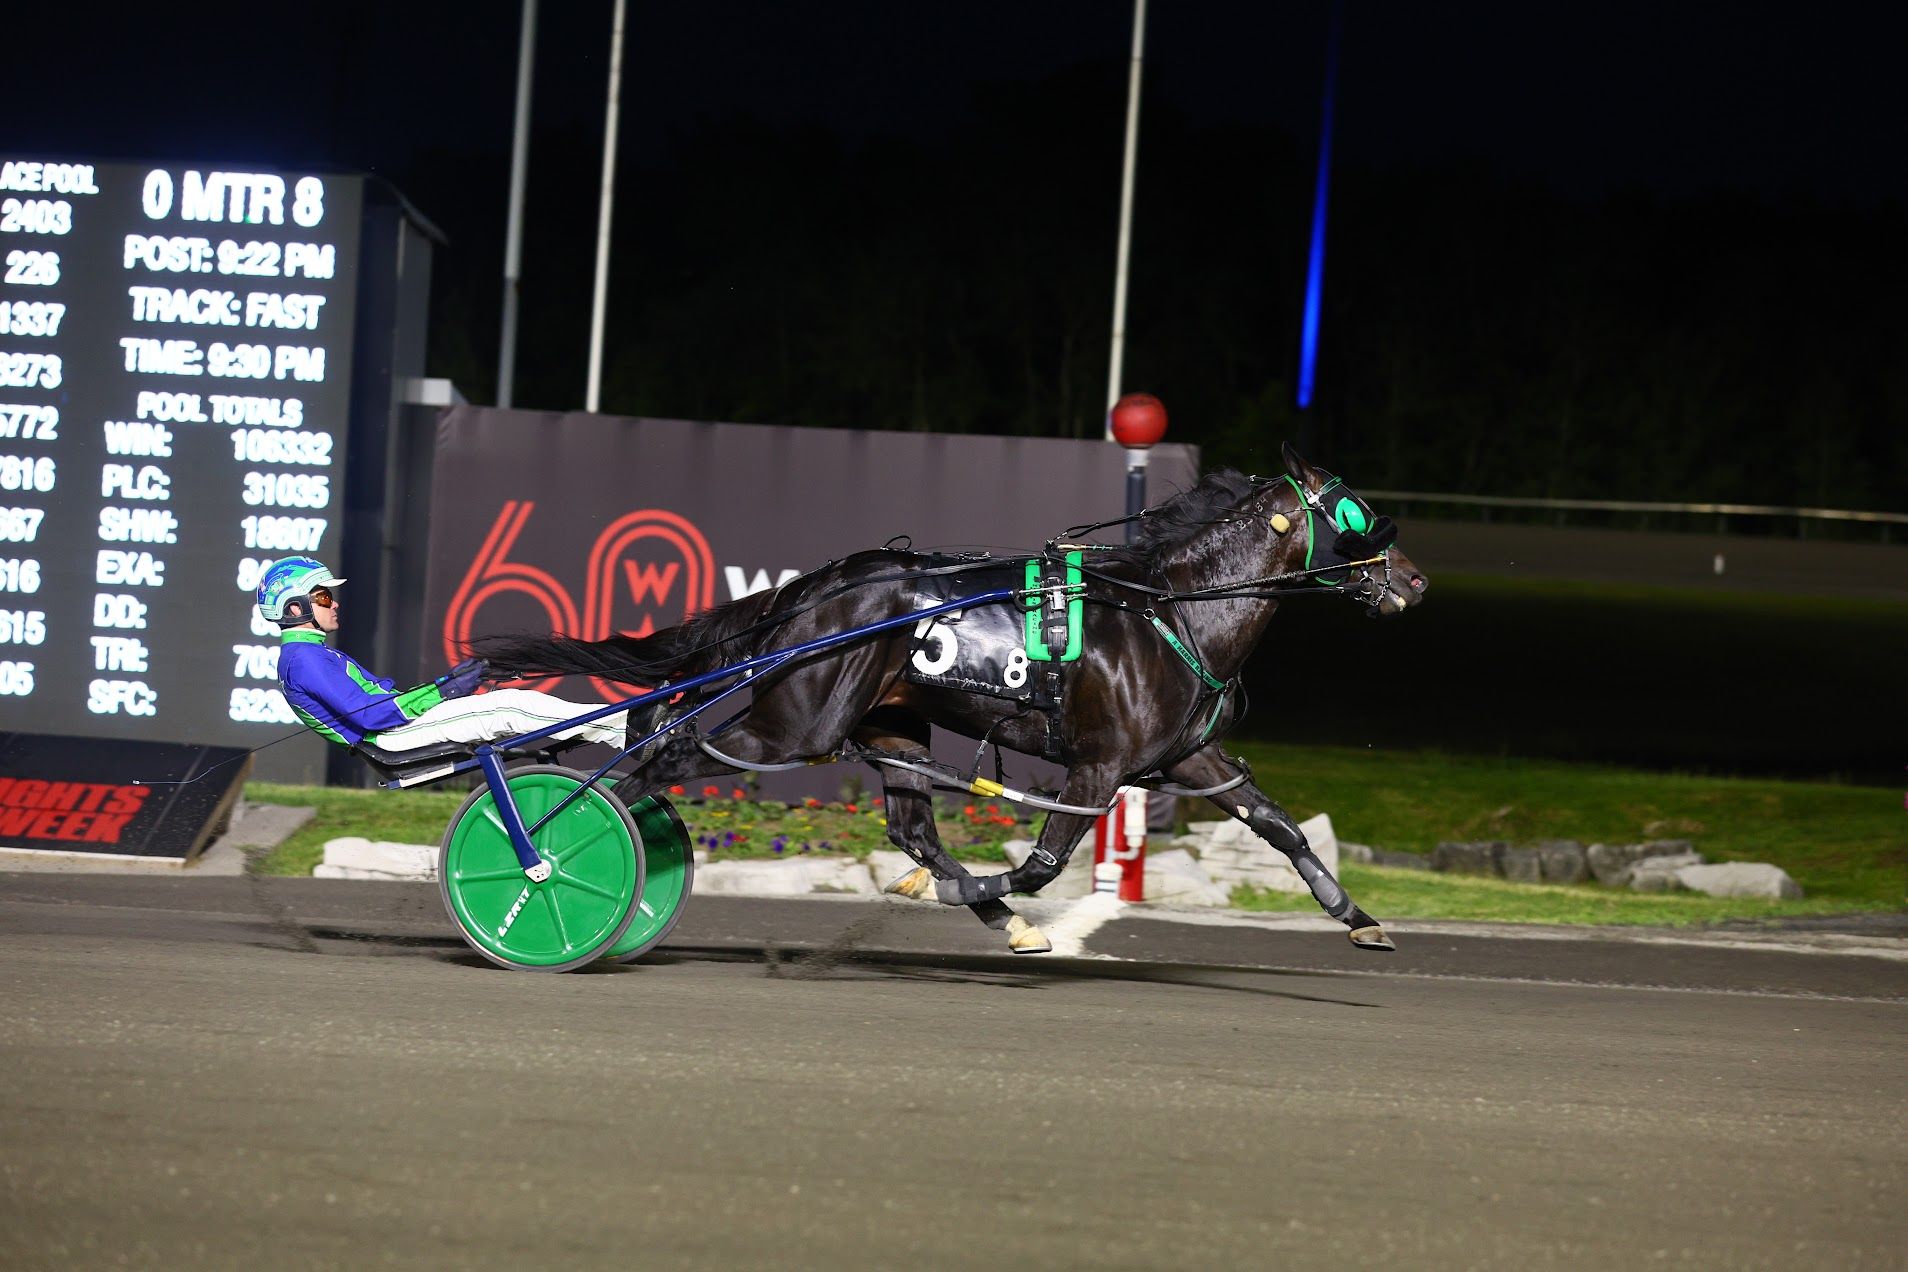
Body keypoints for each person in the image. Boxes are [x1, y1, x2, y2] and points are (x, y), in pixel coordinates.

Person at [256, 556, 628, 754]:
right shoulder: (303, 661)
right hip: (390, 737)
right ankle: (625, 730)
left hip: (395, 728)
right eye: (322, 597)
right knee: (510, 709)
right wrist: (444, 691)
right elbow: (370, 714)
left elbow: (381, 702)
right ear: (293, 609)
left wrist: (447, 683)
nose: (333, 602)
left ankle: (623, 725)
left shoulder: (310, 656)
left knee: (513, 703)